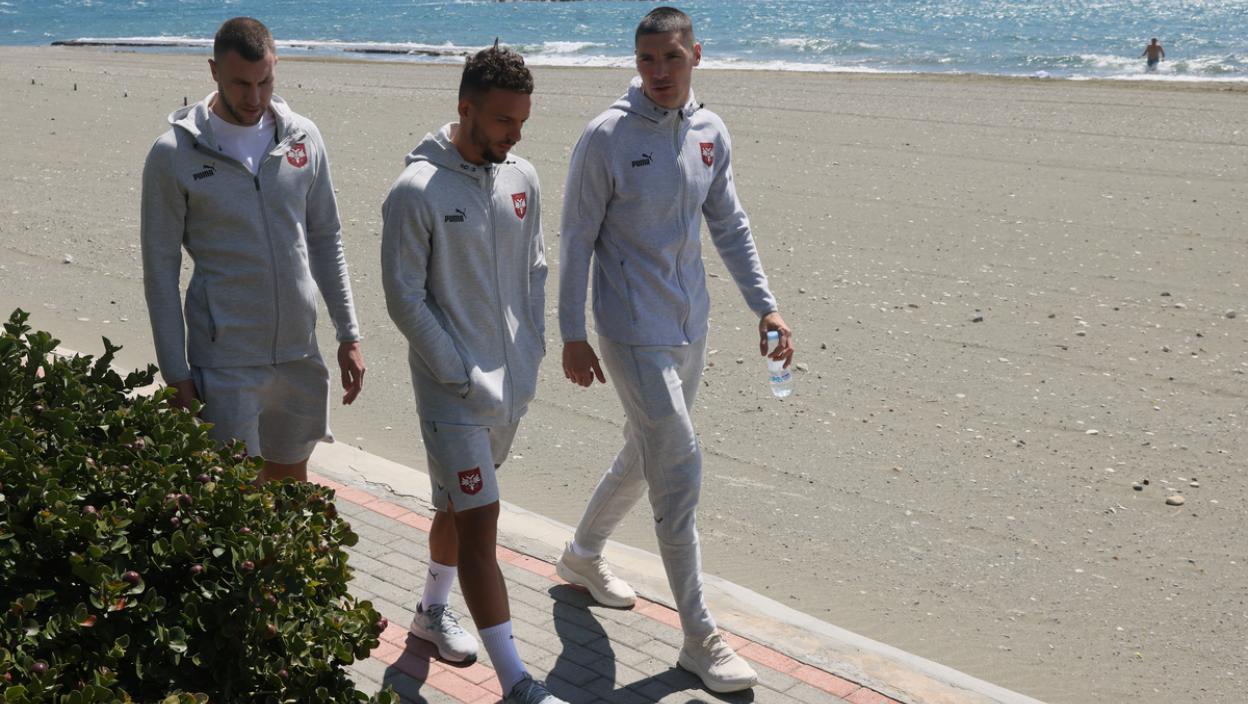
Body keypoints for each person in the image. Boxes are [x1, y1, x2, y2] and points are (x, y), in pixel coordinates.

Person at [555, 6, 793, 695]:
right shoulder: (607, 136)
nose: (658, 72)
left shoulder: (710, 131)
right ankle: (699, 638)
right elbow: (576, 238)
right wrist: (571, 333)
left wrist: (765, 305)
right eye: (646, 59)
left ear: (696, 55)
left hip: (691, 326)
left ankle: (582, 554)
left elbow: (730, 223)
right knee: (679, 467)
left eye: (672, 58)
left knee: (645, 450)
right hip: (629, 330)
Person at [381, 44, 562, 704]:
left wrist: (531, 349)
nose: (515, 136)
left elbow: (535, 268)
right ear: (466, 109)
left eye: (522, 122)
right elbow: (404, 297)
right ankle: (517, 683)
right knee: (482, 527)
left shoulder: (522, 179)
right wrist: (457, 372)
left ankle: (430, 613)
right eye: (503, 121)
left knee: (455, 510)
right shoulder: (416, 192)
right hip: (452, 395)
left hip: (509, 391)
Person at [141, 17, 365, 484]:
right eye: (241, 83)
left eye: (265, 81)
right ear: (213, 71)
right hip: (225, 360)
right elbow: (160, 271)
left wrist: (349, 333)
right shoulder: (174, 154)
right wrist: (176, 372)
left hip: (299, 353)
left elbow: (326, 237)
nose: (255, 97)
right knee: (234, 493)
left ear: (275, 65)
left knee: (291, 488)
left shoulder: (303, 137)